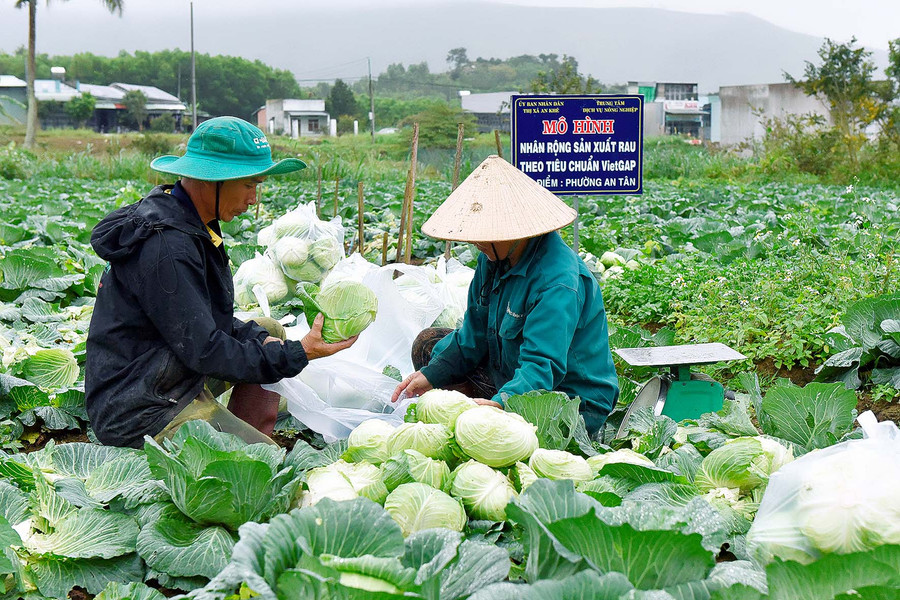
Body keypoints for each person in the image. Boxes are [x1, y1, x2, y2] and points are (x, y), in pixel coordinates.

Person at [85, 116, 355, 448]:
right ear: (212, 180)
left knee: (268, 330)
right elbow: (206, 350)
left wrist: (274, 346)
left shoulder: (195, 221)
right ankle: (240, 444)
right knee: (262, 464)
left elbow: (212, 324)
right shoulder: (168, 247)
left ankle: (244, 435)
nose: (254, 199)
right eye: (248, 185)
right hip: (138, 406)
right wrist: (298, 353)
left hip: (167, 371)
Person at [391, 155, 619, 437]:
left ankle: (489, 420)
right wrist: (430, 375)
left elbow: (541, 367)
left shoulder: (557, 282)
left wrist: (500, 404)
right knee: (428, 346)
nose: (475, 242)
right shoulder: (494, 258)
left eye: (483, 234)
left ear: (514, 231)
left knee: (506, 433)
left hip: (568, 400)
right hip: (513, 373)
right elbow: (472, 335)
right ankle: (476, 414)